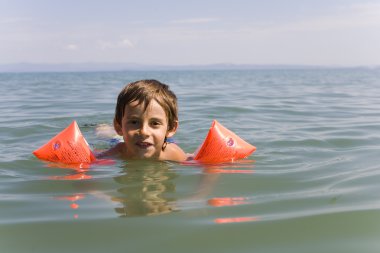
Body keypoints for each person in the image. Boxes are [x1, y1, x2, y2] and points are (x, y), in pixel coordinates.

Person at [96, 79, 188, 162]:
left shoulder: (173, 153)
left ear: (171, 128)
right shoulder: (117, 152)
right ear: (118, 126)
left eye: (155, 123)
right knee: (111, 137)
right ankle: (103, 128)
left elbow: (193, 160)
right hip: (122, 141)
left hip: (162, 140)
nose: (144, 132)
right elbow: (96, 158)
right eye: (134, 122)